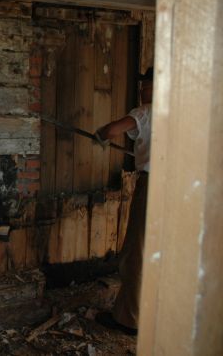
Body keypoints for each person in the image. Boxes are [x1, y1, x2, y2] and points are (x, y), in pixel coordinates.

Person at [94, 67, 153, 336]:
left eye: (145, 86)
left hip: (153, 187)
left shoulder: (147, 112)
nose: (142, 91)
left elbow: (112, 130)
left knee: (136, 254)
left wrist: (101, 135)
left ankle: (130, 320)